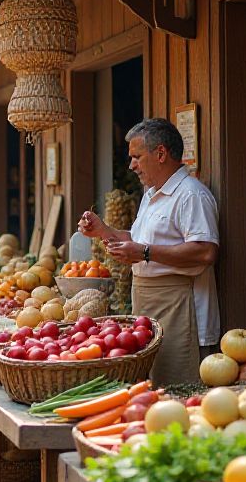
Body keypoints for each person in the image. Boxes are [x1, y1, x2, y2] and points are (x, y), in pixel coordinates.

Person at [78, 118, 220, 385]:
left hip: (181, 306)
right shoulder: (150, 194)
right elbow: (140, 241)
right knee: (153, 388)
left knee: (178, 390)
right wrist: (103, 231)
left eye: (136, 157)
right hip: (149, 303)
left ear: (161, 153)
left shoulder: (191, 195)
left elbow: (205, 252)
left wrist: (143, 253)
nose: (131, 165)